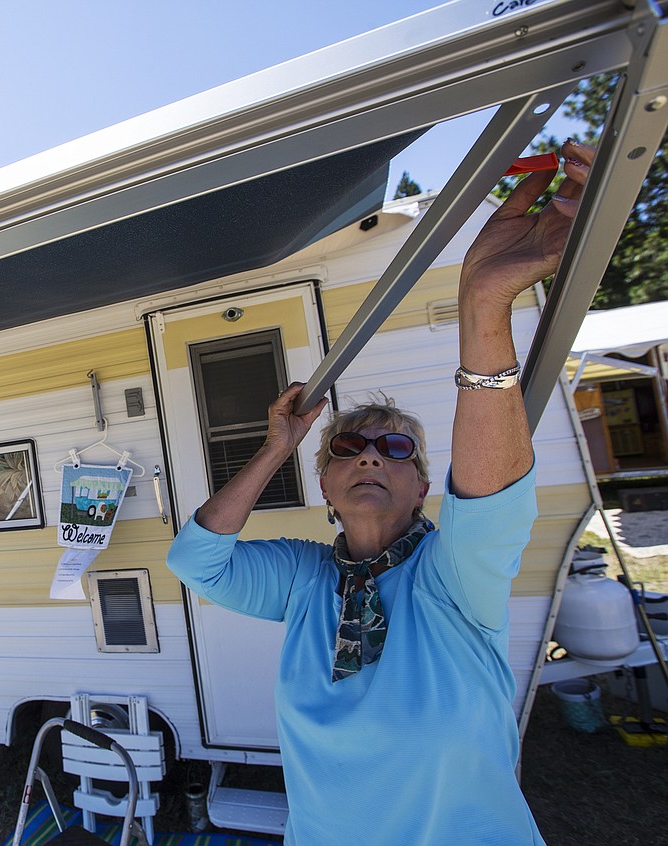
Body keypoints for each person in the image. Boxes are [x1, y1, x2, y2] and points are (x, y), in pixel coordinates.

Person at [166, 139, 594, 845]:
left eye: (395, 447)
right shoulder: (305, 581)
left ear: (424, 484)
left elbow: (487, 495)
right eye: (347, 447)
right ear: (327, 484)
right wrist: (278, 445)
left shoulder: (453, 573)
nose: (370, 455)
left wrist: (481, 302)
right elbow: (195, 562)